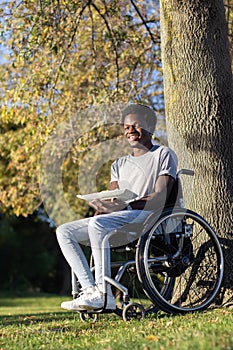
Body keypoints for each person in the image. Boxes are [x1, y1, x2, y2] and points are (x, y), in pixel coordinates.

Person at [56, 104, 178, 311]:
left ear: (149, 127)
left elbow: (160, 196)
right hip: (120, 217)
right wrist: (102, 205)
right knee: (64, 231)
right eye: (126, 127)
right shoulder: (119, 164)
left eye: (136, 125)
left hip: (148, 215)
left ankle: (105, 295)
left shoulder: (163, 154)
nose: (129, 130)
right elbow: (114, 199)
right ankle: (91, 291)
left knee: (97, 225)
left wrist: (124, 206)